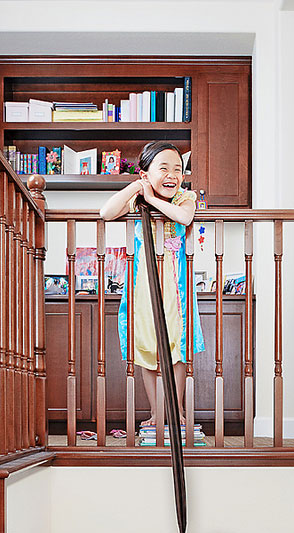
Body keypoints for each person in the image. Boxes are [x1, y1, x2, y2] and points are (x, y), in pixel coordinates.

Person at [99, 141, 205, 427]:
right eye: (163, 168)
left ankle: (175, 411)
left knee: (176, 347)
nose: (172, 174)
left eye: (178, 169)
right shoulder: (137, 198)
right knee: (147, 346)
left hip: (175, 285)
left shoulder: (185, 197)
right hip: (144, 286)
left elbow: (185, 217)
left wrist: (153, 198)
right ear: (145, 173)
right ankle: (157, 412)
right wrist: (137, 188)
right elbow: (106, 212)